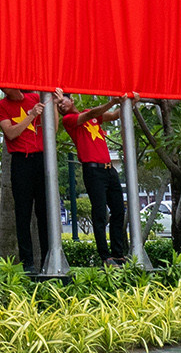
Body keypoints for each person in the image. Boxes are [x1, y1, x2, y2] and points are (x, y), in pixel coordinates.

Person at [61, 96, 128, 263]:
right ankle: (105, 256)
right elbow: (91, 114)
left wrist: (131, 103)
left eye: (62, 101)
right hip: (93, 171)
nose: (60, 106)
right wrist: (112, 102)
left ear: (73, 100)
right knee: (99, 213)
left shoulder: (91, 116)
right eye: (57, 105)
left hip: (109, 169)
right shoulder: (69, 120)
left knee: (119, 210)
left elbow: (113, 116)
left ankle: (118, 254)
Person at [0, 87, 47, 270]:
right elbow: (10, 133)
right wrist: (31, 115)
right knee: (23, 213)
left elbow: (52, 128)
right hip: (20, 161)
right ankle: (28, 263)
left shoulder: (36, 97)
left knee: (44, 212)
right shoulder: (1, 105)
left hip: (41, 159)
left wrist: (53, 105)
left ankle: (48, 258)